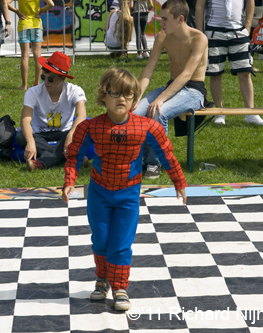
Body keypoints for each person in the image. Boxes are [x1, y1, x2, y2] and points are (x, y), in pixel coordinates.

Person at [62, 68, 187, 311]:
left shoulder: (147, 127)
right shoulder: (91, 127)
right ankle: (102, 280)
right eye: (115, 93)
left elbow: (166, 154)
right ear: (103, 96)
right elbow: (74, 154)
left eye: (128, 95)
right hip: (98, 192)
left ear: (134, 99)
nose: (121, 99)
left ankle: (119, 286)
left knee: (120, 242)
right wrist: (69, 180)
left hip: (128, 195)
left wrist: (178, 181)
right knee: (100, 239)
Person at [133, 0, 207, 179]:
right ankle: (138, 160)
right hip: (172, 86)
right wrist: (137, 96)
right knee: (136, 111)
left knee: (159, 111)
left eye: (165, 19)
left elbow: (187, 74)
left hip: (194, 91)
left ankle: (154, 163)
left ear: (180, 19)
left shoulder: (199, 38)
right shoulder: (163, 36)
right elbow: (148, 70)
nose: (161, 23)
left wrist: (161, 98)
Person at [196, 0, 263, 126]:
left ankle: (251, 112)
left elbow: (250, 2)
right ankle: (219, 112)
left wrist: (248, 26)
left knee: (245, 72)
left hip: (238, 32)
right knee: (215, 74)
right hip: (214, 32)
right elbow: (199, 5)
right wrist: (200, 33)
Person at [16, 51, 87, 171]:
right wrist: (30, 141)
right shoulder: (33, 92)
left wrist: (70, 135)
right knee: (21, 136)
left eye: (51, 79)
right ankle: (68, 156)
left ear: (62, 78)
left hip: (64, 132)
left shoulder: (74, 90)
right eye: (43, 78)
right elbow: (25, 120)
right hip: (39, 133)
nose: (46, 83)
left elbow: (82, 115)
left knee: (81, 133)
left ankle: (41, 163)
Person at [8, 0, 54, 90]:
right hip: (36, 24)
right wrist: (41, 11)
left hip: (24, 23)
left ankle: (24, 85)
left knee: (25, 55)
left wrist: (17, 11)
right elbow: (51, 4)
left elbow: (5, 3)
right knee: (38, 55)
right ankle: (37, 82)